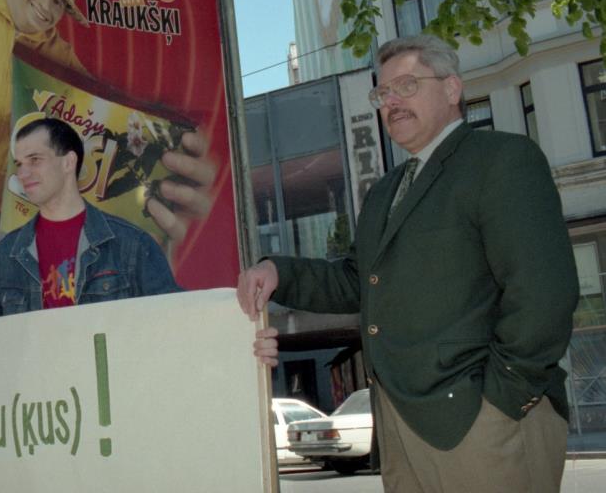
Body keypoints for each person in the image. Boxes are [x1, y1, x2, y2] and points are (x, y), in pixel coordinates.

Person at [236, 35, 578, 493]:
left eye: (407, 86)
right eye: (382, 93)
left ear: (452, 88)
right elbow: (358, 282)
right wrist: (279, 272)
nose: (391, 101)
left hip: (482, 422)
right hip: (400, 428)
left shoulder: (501, 160)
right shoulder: (385, 191)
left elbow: (543, 295)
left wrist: (500, 401)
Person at [0, 0, 215, 257]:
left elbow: (96, 110)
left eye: (57, 2)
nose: (45, 7)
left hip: (6, 215)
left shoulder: (54, 52)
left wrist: (165, 144)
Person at [0, 118, 180, 318]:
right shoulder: (5, 255)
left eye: (35, 160)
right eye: (19, 164)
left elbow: (172, 322)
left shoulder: (133, 245)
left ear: (68, 162)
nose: (22, 173)